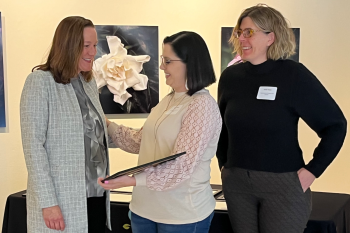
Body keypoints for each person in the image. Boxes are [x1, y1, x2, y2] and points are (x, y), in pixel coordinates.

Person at [217, 4, 347, 233]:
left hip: (283, 187)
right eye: (239, 32)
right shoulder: (231, 77)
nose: (242, 39)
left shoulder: (294, 75)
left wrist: (313, 170)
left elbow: (335, 125)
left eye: (249, 32)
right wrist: (224, 167)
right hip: (237, 185)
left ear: (271, 37)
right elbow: (221, 129)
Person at [98, 31, 222, 233]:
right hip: (143, 210)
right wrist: (107, 123)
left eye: (167, 61)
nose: (162, 66)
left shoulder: (202, 106)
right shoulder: (168, 100)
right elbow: (140, 141)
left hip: (182, 215)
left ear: (189, 63)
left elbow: (182, 165)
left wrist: (131, 180)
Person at [20, 16, 112, 233]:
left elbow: (97, 131)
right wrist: (48, 202)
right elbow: (33, 148)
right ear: (68, 46)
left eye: (95, 45)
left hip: (96, 193)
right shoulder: (40, 82)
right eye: (86, 46)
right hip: (62, 200)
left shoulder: (88, 83)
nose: (93, 52)